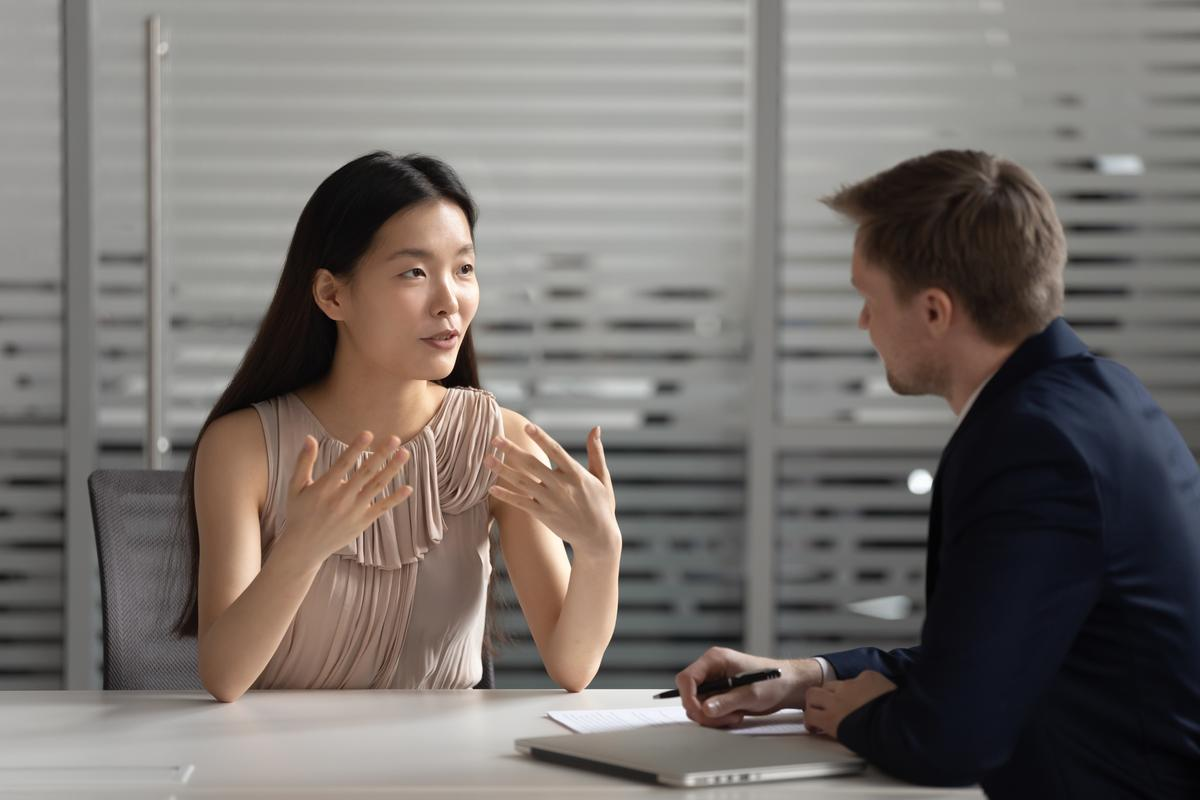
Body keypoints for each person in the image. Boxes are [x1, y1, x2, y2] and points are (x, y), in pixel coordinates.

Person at [675, 150, 1200, 798]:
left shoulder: (1032, 446)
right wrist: (805, 677)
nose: (863, 322)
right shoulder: (1098, 396)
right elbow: (994, 653)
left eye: (869, 297)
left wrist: (857, 717)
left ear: (933, 311)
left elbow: (951, 740)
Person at [176, 152, 622, 702]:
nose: (449, 301)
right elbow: (224, 678)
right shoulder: (244, 447)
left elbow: (571, 666)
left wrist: (601, 551)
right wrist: (303, 546)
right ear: (332, 295)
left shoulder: (494, 441)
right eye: (414, 272)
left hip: (447, 770)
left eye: (463, 269)